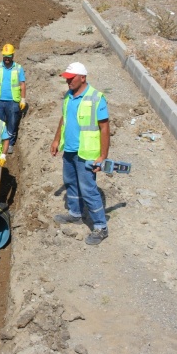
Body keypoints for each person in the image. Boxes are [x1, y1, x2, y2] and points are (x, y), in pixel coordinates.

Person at [49, 62, 111, 245]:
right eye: (66, 78)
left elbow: (105, 128)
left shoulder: (96, 98)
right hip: (69, 149)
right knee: (70, 182)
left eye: (71, 78)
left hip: (86, 152)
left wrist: (103, 156)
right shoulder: (68, 96)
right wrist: (56, 140)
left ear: (82, 77)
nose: (67, 81)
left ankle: (101, 226)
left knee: (88, 189)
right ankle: (75, 213)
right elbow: (64, 118)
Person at [0, 43, 26, 155]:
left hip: (13, 101)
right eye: (5, 57)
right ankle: (0, 142)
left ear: (13, 56)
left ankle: (9, 143)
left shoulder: (18, 68)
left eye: (9, 57)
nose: (7, 59)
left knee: (12, 123)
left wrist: (23, 98)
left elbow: (22, 84)